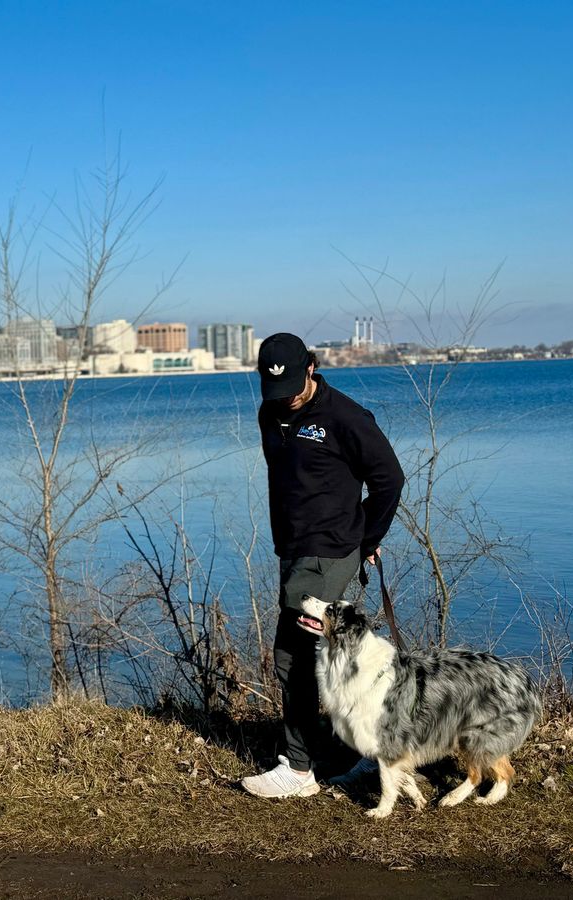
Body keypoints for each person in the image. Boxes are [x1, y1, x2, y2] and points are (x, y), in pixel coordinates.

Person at [240, 332, 404, 799]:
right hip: (292, 549)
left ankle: (298, 768)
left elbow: (389, 480)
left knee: (291, 652)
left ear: (311, 367)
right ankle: (348, 754)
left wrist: (366, 537)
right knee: (330, 657)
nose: (285, 397)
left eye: (292, 385)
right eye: (275, 389)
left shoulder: (346, 417)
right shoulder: (270, 412)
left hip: (329, 549)